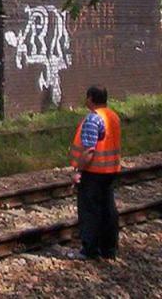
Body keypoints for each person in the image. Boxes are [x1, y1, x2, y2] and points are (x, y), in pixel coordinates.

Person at [70, 85, 121, 260]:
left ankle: (89, 249)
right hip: (111, 170)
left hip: (94, 172)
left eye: (87, 97)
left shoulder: (93, 119)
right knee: (108, 209)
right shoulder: (112, 116)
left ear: (90, 98)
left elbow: (89, 150)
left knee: (90, 211)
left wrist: (79, 170)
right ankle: (109, 249)